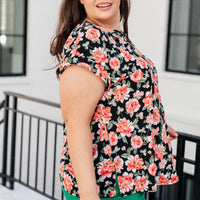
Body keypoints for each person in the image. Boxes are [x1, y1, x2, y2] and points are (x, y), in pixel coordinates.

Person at [50, 0, 179, 200]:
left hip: (127, 180)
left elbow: (119, 94)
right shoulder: (88, 40)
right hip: (107, 187)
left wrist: (150, 120)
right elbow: (76, 123)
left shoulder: (113, 35)